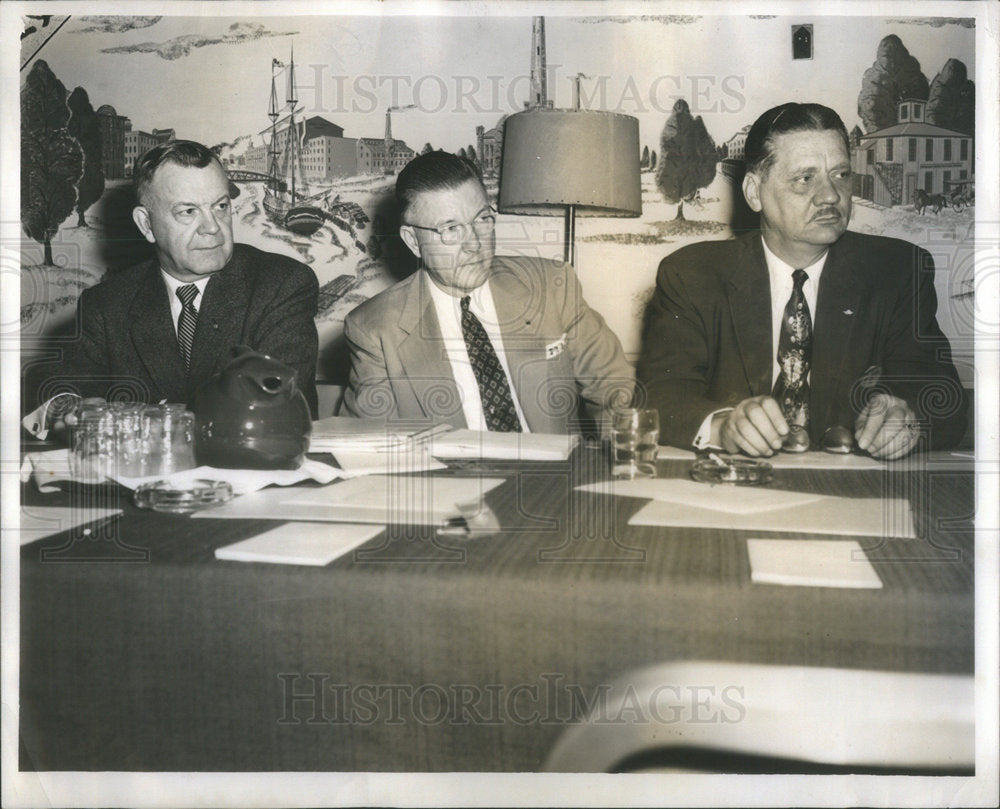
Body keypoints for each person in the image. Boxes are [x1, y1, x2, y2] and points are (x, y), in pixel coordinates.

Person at [635, 102, 966, 460]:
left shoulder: (897, 271)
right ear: (753, 192)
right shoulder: (692, 275)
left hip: (851, 495)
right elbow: (660, 393)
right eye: (805, 178)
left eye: (840, 174)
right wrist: (722, 426)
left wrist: (910, 417)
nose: (830, 195)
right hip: (735, 491)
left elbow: (942, 395)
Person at [24, 139, 319, 438]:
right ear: (146, 225)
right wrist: (68, 408)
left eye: (220, 206)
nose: (213, 227)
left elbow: (269, 404)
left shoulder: (282, 284)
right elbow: (57, 387)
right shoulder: (107, 303)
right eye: (188, 212)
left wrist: (137, 418)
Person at [342, 150, 633, 433]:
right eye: (451, 228)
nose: (475, 244)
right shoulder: (376, 329)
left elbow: (614, 390)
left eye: (482, 219)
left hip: (553, 477)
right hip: (449, 480)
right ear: (413, 241)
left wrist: (619, 454)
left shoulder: (552, 286)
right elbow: (369, 441)